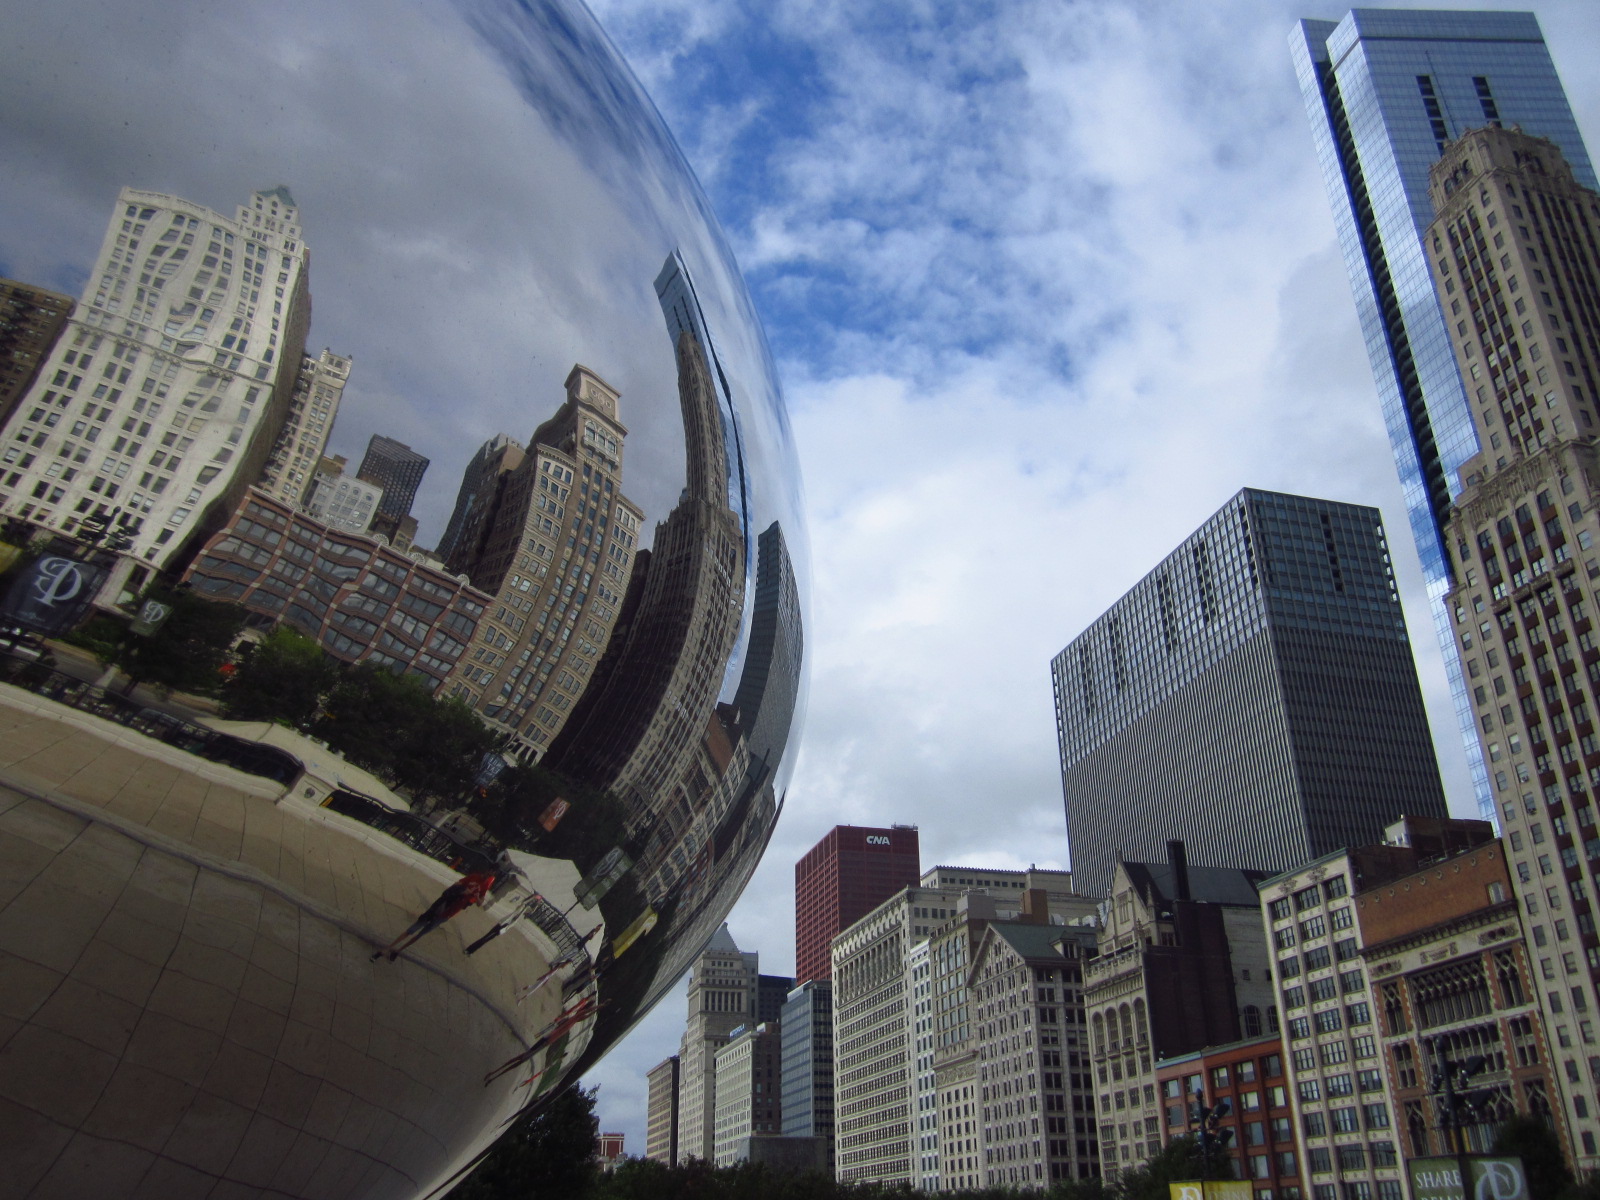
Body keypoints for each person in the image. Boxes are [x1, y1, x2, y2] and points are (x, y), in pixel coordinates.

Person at [372, 871, 497, 961]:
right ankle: (388, 947)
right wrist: (463, 891)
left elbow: (480, 903)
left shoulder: (483, 889)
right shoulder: (474, 877)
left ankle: (398, 951)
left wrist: (477, 895)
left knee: (421, 934)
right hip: (442, 907)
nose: (487, 878)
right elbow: (457, 884)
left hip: (448, 913)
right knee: (413, 929)